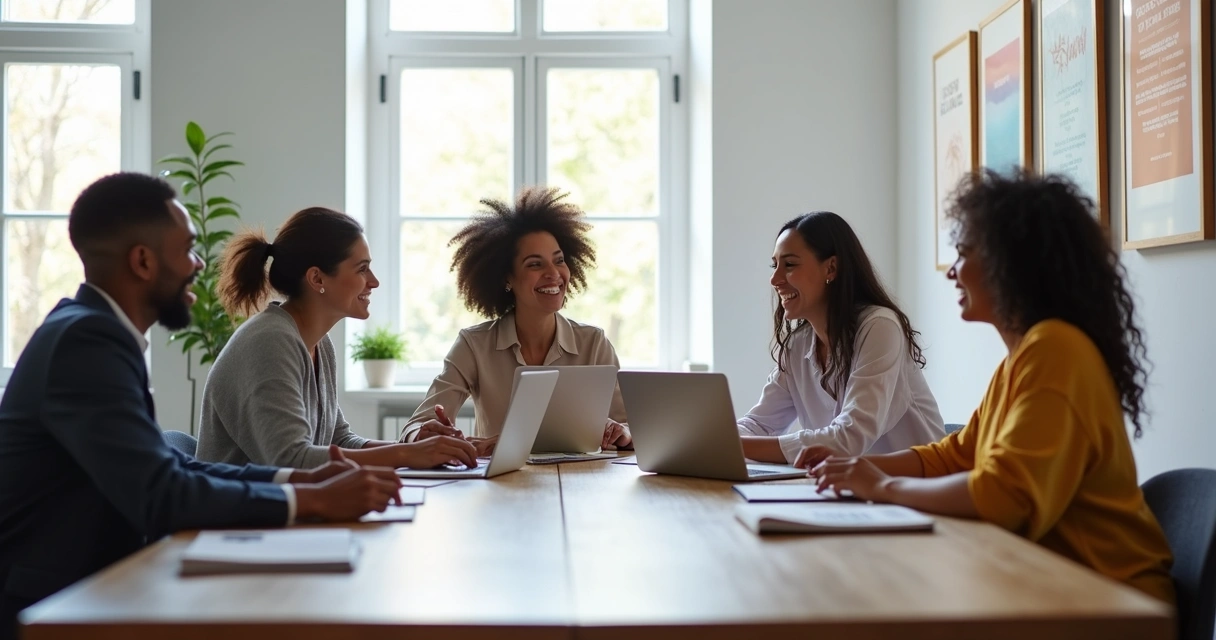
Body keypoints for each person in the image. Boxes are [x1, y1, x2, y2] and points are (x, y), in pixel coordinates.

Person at [0, 173, 405, 640]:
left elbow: (171, 464)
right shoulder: (86, 341)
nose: (198, 263)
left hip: (96, 591)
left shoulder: (92, 333)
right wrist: (310, 497)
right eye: (187, 248)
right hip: (50, 607)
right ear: (143, 261)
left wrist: (306, 480)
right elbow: (162, 493)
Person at [803, 170, 1174, 604]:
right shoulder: (1023, 359)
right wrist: (862, 468)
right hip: (1050, 584)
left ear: (1009, 262)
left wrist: (881, 486)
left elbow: (1005, 495)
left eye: (963, 253)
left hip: (1112, 603)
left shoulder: (1056, 349)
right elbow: (955, 456)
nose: (953, 272)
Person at [197, 208, 477, 470]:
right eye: (362, 269)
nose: (374, 281)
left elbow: (338, 440)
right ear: (317, 279)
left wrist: (420, 447)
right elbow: (291, 460)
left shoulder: (319, 344)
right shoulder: (269, 342)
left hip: (286, 512)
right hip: (244, 520)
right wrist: (406, 455)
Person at [400, 186, 629, 453]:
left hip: (581, 481)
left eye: (559, 260)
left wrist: (621, 432)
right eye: (535, 264)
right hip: (503, 484)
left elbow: (633, 428)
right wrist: (424, 434)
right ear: (507, 278)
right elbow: (416, 426)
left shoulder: (594, 343)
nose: (553, 273)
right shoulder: (474, 345)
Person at [737, 211, 945, 464]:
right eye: (775, 265)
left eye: (789, 265)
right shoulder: (797, 345)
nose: (775, 279)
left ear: (831, 267)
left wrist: (737, 446)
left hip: (913, 494)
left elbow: (849, 438)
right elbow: (759, 423)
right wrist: (717, 441)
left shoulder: (879, 327)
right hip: (845, 493)